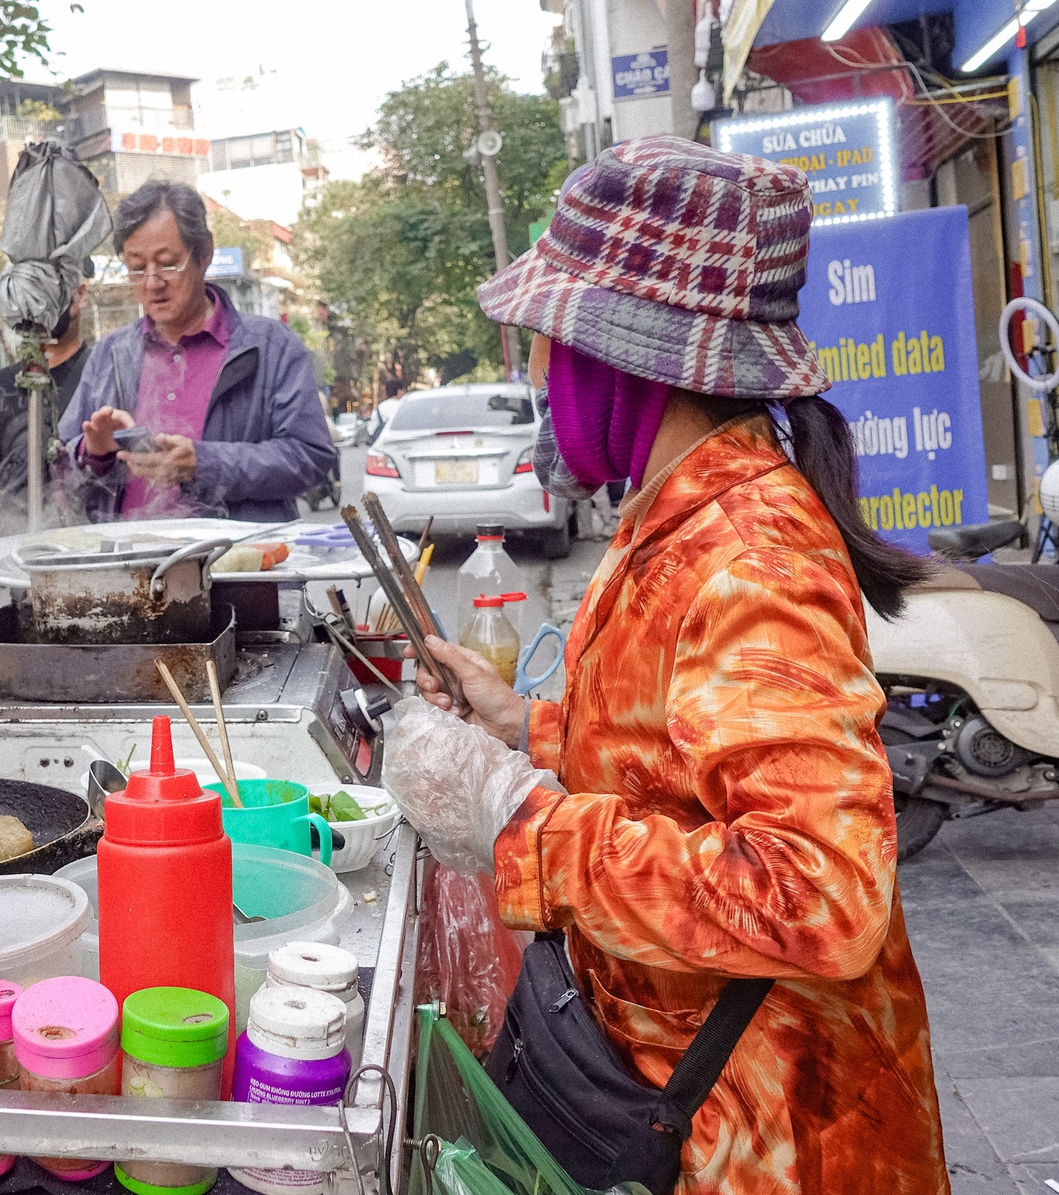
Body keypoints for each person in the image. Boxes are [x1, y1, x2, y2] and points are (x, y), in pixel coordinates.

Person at [405, 138, 945, 1192]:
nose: (535, 372)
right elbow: (681, 752)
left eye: (546, 343)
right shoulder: (681, 509)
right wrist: (522, 728)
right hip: (684, 1084)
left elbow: (819, 891)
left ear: (628, 357)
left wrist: (526, 827)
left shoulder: (750, 556)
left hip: (766, 1129)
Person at [62, 180, 334, 521]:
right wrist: (94, 451)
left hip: (238, 566)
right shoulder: (110, 355)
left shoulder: (271, 347)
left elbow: (310, 456)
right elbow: (60, 468)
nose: (152, 283)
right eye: (137, 268)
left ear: (204, 253)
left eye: (167, 263)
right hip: (134, 569)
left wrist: (204, 463)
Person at [0, 282, 94, 625]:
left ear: (81, 295)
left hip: (96, 556)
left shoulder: (102, 369)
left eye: (54, 291)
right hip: (26, 564)